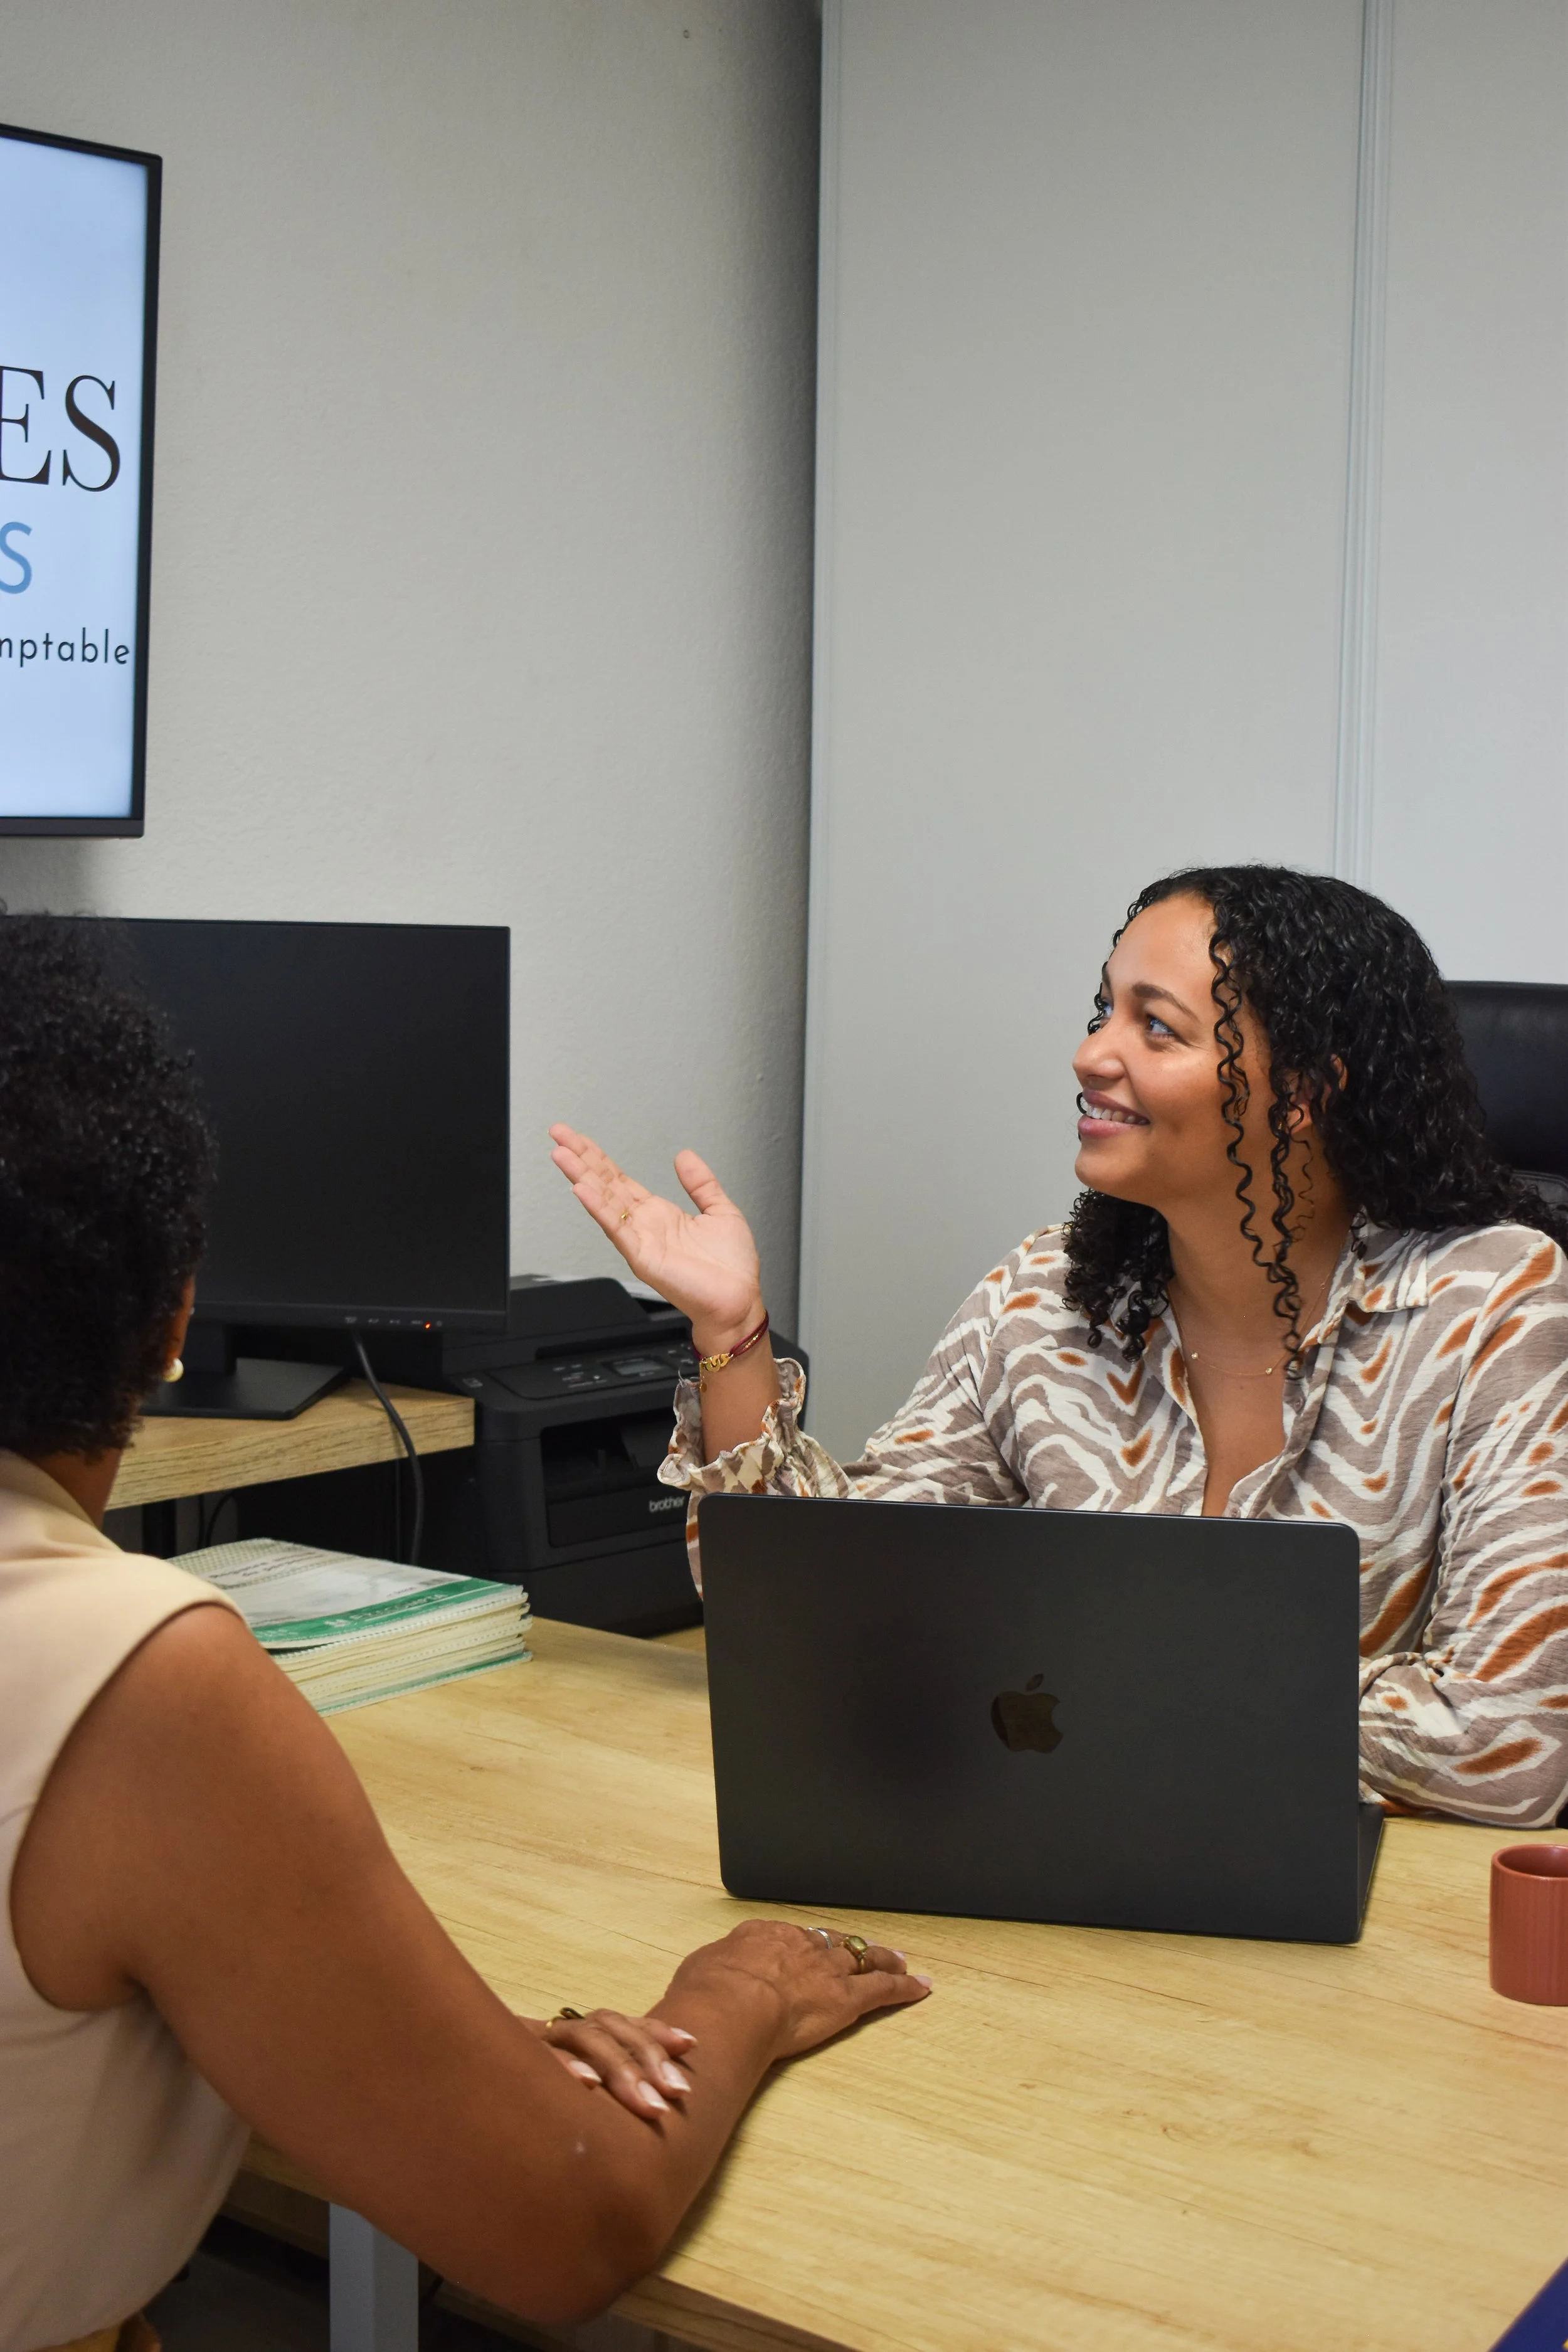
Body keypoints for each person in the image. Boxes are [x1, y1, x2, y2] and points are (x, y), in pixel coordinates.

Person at [0, 916, 929, 2352]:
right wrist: (734, 1992)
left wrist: (435, 2056)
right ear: (170, 1317)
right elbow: (565, 2229)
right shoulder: (132, 1676)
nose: (1094, 1054)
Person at [552, 864, 1568, 1831]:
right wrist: (733, 1337)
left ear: (1302, 1093)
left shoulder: (1489, 1304)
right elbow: (816, 1625)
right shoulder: (1042, 1301)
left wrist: (1071, 1682)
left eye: (1156, 1027)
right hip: (1060, 1869)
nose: (1092, 1054)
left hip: (1377, 1933)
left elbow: (1509, 1740)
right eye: (1103, 1011)